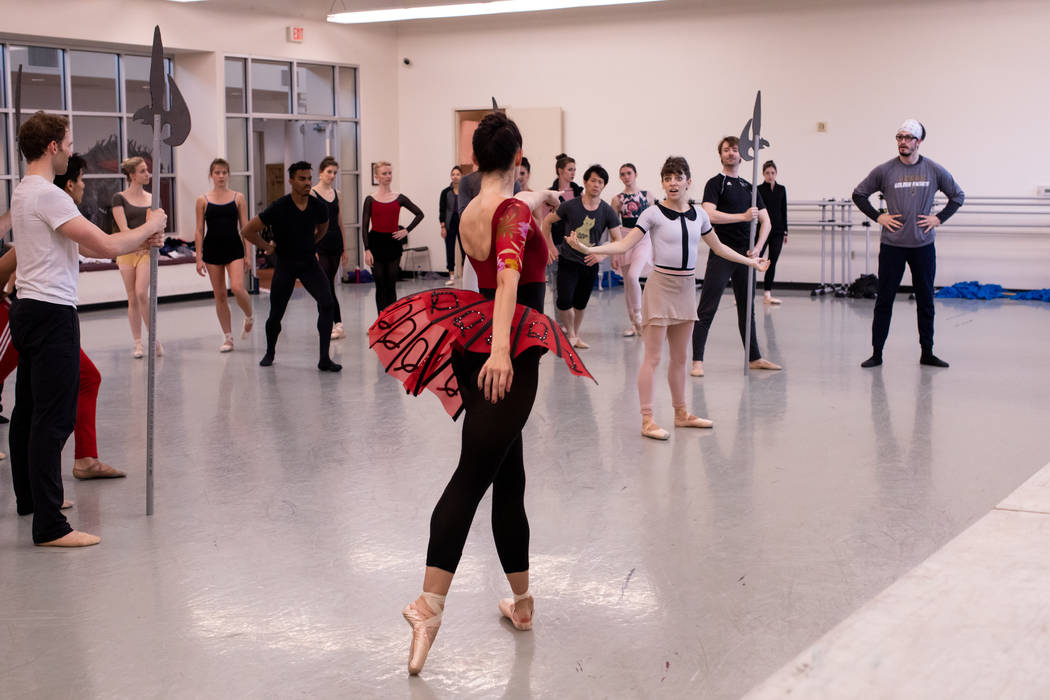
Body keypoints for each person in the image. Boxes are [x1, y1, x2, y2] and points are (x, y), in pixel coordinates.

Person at [370, 112, 590, 676]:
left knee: (508, 475)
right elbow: (512, 279)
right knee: (474, 475)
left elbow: (513, 223)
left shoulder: (471, 206)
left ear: (474, 161)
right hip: (506, 349)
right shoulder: (514, 211)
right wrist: (500, 353)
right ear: (517, 157)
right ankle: (428, 605)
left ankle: (521, 602)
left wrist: (539, 196)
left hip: (473, 339)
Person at [9, 112, 166, 546]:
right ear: (53, 147)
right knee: (52, 420)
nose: (73, 150)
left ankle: (32, 501)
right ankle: (50, 526)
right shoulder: (49, 195)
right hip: (50, 313)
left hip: (29, 307)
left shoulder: (24, 192)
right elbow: (107, 244)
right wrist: (151, 227)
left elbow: (80, 245)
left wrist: (139, 238)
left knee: (28, 411)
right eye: (69, 141)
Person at [567, 156, 769, 439]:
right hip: (661, 287)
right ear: (662, 183)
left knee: (680, 357)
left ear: (688, 181)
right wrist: (587, 247)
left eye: (678, 177)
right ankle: (647, 419)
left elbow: (720, 248)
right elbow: (624, 243)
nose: (673, 183)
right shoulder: (652, 214)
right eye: (667, 178)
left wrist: (752, 263)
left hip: (686, 289)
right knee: (652, 357)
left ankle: (681, 413)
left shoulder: (700, 215)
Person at [0, 155, 125, 480]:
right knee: (40, 411)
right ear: (69, 184)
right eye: (81, 179)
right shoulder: (46, 212)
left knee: (83, 380)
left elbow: (99, 247)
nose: (85, 184)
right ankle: (43, 487)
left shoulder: (62, 219)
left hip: (40, 314)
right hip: (33, 315)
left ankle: (83, 459)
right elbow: (9, 266)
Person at [852, 119, 965, 368]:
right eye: (899, 137)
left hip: (923, 246)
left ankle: (927, 352)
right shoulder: (885, 170)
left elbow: (957, 196)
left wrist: (938, 218)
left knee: (925, 300)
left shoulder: (933, 170)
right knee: (884, 300)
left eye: (908, 138)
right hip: (893, 245)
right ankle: (877, 353)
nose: (903, 142)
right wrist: (879, 216)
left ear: (919, 142)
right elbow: (858, 194)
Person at [691, 136, 782, 376]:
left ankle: (754, 358)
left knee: (747, 307)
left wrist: (758, 248)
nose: (731, 153)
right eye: (726, 150)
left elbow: (767, 221)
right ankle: (697, 361)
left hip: (746, 255)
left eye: (734, 150)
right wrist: (741, 217)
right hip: (722, 252)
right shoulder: (716, 183)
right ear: (720, 155)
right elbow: (708, 214)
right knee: (707, 307)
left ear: (741, 155)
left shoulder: (749, 186)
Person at [240, 161, 341, 372]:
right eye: (302, 179)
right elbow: (248, 230)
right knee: (276, 313)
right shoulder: (279, 207)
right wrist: (267, 246)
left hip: (309, 264)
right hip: (285, 264)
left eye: (309, 179)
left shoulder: (317, 207)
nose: (307, 183)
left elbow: (323, 227)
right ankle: (270, 352)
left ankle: (324, 358)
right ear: (291, 181)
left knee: (327, 304)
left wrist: (313, 243)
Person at [542, 164, 621, 348]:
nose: (596, 184)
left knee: (580, 304)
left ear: (603, 186)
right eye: (593, 180)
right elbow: (546, 222)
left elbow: (618, 240)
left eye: (600, 182)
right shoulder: (570, 206)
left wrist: (601, 256)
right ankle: (570, 333)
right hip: (568, 261)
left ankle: (574, 335)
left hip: (589, 262)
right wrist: (550, 246)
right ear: (585, 182)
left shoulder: (607, 210)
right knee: (563, 301)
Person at [194, 158, 254, 352]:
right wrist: (198, 257)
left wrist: (248, 254)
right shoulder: (203, 199)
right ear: (211, 175)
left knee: (236, 287)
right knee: (219, 295)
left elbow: (245, 227)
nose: (221, 176)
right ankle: (228, 338)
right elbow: (198, 230)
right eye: (217, 172)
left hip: (234, 248)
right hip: (212, 250)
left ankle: (249, 315)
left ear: (228, 174)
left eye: (224, 172)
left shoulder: (238, 197)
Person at [112, 156, 162, 358]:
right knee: (132, 297)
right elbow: (124, 229)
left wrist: (155, 239)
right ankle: (138, 343)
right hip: (126, 252)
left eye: (147, 170)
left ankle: (154, 338)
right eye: (142, 171)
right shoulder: (119, 198)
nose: (147, 174)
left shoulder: (153, 199)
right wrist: (142, 238)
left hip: (146, 252)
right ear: (132, 175)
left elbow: (157, 226)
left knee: (142, 293)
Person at [361, 162, 424, 312]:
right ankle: (381, 321)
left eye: (389, 173)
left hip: (393, 244)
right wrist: (367, 249)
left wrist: (406, 230)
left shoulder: (399, 198)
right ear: (376, 177)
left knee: (391, 285)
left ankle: (392, 321)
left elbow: (419, 214)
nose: (388, 176)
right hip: (375, 244)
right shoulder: (370, 199)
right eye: (384, 173)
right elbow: (364, 226)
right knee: (380, 285)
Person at [610, 163, 652, 336]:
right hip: (625, 239)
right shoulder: (617, 199)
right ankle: (633, 323)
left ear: (635, 174)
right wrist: (614, 251)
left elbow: (653, 221)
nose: (626, 176)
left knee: (634, 276)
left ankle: (639, 317)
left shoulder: (647, 196)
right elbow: (612, 226)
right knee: (627, 283)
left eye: (629, 173)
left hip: (643, 238)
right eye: (623, 174)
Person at [312, 156, 349, 339]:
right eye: (329, 172)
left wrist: (345, 248)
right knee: (324, 285)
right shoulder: (312, 193)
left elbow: (340, 222)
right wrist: (312, 248)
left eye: (335, 172)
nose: (332, 175)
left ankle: (337, 324)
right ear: (320, 173)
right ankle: (332, 323)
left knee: (329, 285)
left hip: (335, 243)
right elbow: (311, 225)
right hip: (320, 244)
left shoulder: (337, 194)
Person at [756, 160, 788, 305]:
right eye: (767, 173)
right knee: (755, 260)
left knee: (772, 262)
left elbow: (784, 210)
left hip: (778, 231)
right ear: (763, 174)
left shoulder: (781, 189)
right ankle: (744, 292)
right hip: (762, 230)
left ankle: (767, 294)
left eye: (772, 173)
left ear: (776, 173)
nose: (770, 176)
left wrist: (785, 231)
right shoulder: (758, 189)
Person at [438, 165, 462, 286]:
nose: (455, 176)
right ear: (451, 176)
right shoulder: (445, 192)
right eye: (453, 174)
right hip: (449, 223)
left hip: (463, 223)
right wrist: (442, 227)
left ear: (461, 176)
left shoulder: (465, 191)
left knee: (465, 250)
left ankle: (464, 276)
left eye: (457, 174)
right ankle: (451, 276)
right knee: (450, 249)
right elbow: (442, 210)